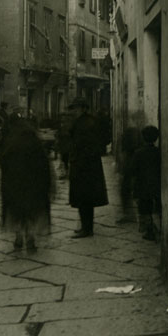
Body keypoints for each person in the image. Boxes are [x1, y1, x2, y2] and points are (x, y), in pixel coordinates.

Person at [0, 114, 54, 252]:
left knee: (17, 211)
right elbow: (44, 164)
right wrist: (47, 185)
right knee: (31, 212)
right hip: (33, 184)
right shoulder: (34, 141)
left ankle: (18, 238)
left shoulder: (11, 142)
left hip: (15, 184)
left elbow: (3, 162)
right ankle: (30, 238)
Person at [68, 97, 108, 237]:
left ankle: (86, 229)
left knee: (84, 198)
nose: (74, 111)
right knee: (85, 198)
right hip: (89, 165)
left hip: (83, 166)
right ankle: (86, 227)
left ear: (84, 109)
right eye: (74, 108)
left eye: (77, 108)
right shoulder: (89, 121)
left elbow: (80, 144)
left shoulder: (84, 124)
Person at [130, 125, 161, 241]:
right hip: (155, 184)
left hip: (142, 186)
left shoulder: (139, 153)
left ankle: (149, 231)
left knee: (144, 208)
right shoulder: (158, 152)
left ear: (143, 138)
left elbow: (133, 170)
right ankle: (157, 228)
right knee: (156, 207)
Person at [117, 126, 141, 223]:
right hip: (133, 170)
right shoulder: (135, 133)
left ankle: (130, 215)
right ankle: (131, 214)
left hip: (130, 170)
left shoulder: (129, 154)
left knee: (126, 191)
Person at [55, 111, 72, 180]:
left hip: (65, 146)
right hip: (64, 146)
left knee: (64, 160)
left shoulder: (66, 127)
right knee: (64, 160)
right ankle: (65, 173)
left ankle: (65, 173)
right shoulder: (64, 127)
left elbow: (59, 135)